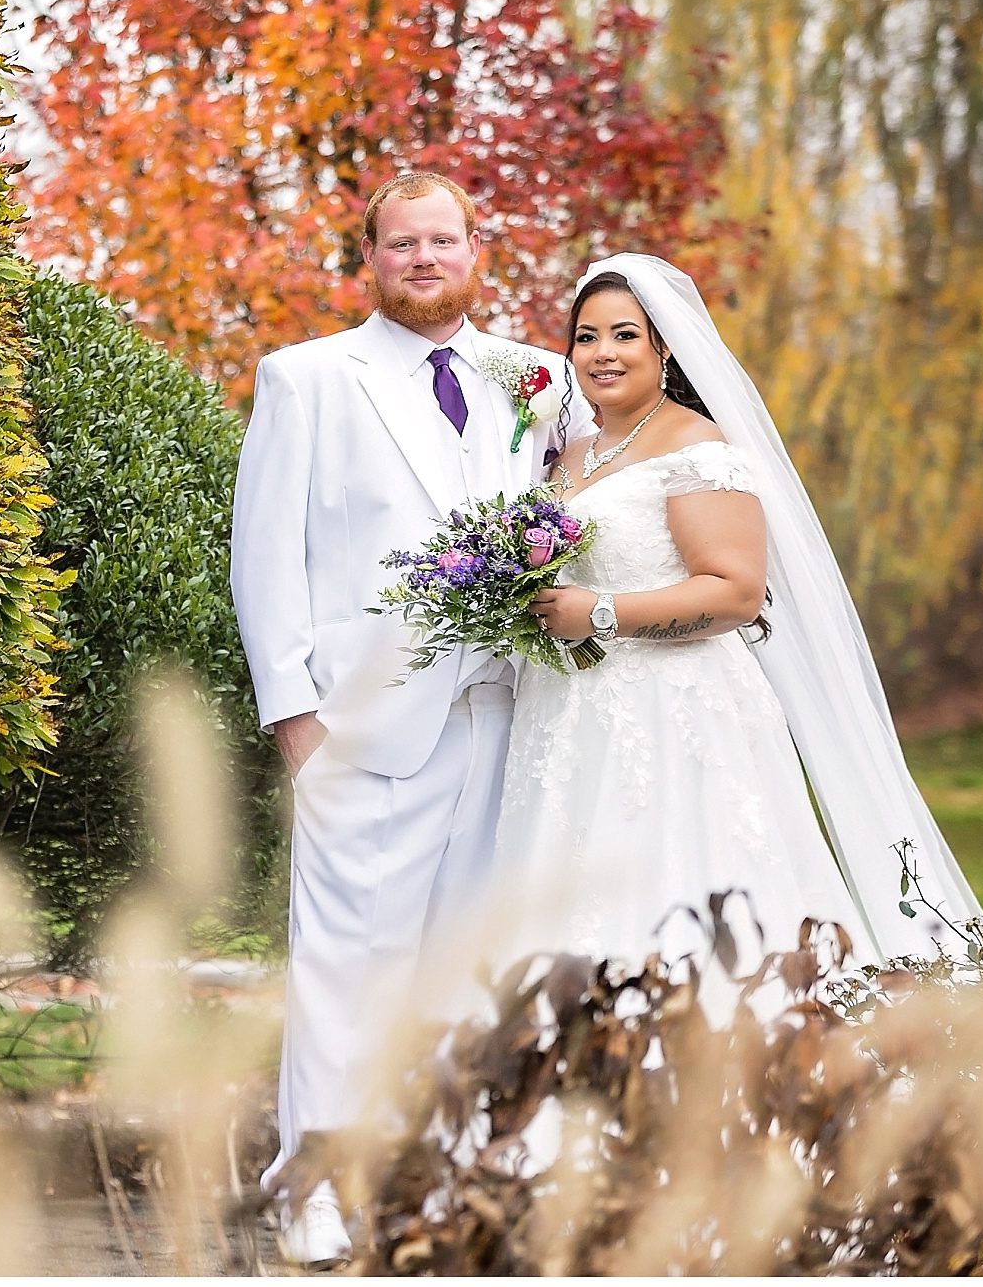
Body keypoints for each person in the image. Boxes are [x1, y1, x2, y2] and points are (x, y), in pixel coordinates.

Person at [230, 171, 592, 1267]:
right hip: (362, 729)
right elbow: (264, 558)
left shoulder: (537, 378)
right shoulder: (305, 379)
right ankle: (311, 1190)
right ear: (370, 256)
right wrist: (294, 717)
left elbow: (584, 502)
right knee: (347, 968)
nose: (423, 259)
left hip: (510, 717)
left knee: (475, 963)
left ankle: (439, 1183)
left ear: (476, 247)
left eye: (442, 240)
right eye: (401, 244)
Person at [491, 253, 982, 1006]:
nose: (602, 353)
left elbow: (736, 591)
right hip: (567, 713)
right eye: (585, 337)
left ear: (663, 349)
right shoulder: (571, 455)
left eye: (625, 335)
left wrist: (600, 612)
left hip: (671, 711)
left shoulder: (698, 448)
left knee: (679, 888)